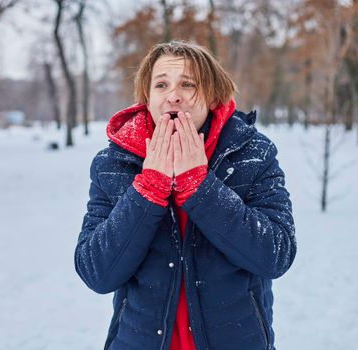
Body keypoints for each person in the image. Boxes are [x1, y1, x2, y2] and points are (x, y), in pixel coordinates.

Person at [74, 40, 296, 350]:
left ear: (212, 95)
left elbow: (277, 254)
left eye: (188, 84)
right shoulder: (113, 164)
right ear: (147, 98)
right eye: (161, 84)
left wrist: (201, 188)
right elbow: (96, 272)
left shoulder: (253, 155)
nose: (173, 95)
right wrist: (148, 189)